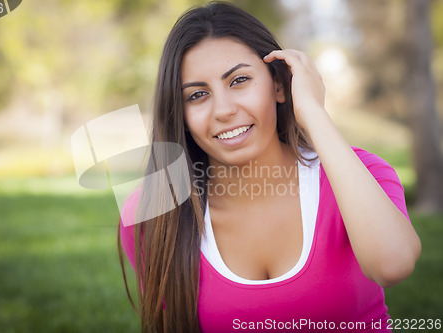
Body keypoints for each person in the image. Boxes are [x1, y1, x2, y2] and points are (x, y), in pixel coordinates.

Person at [117, 2, 421, 332]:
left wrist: (314, 114)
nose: (223, 110)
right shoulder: (152, 214)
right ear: (181, 113)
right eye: (197, 95)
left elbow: (393, 264)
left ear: (279, 85)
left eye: (239, 80)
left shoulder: (360, 173)